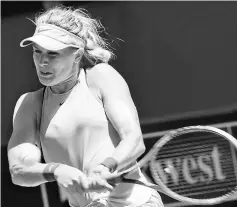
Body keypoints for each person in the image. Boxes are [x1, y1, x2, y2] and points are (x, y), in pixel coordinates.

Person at [7, 5, 164, 207]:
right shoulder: (29, 104)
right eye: (37, 51)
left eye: (53, 53)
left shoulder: (101, 77)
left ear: (77, 55)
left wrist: (107, 166)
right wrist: (55, 170)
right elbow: (19, 171)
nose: (43, 61)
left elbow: (133, 139)